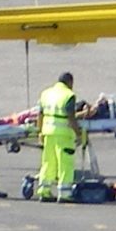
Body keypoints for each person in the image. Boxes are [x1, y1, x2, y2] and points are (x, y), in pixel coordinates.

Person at [36, 72, 83, 203]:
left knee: (48, 162)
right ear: (70, 82)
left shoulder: (46, 93)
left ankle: (44, 191)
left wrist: (40, 132)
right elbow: (71, 116)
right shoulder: (69, 95)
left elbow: (39, 115)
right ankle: (64, 194)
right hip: (63, 134)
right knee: (65, 164)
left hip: (48, 132)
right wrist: (78, 133)